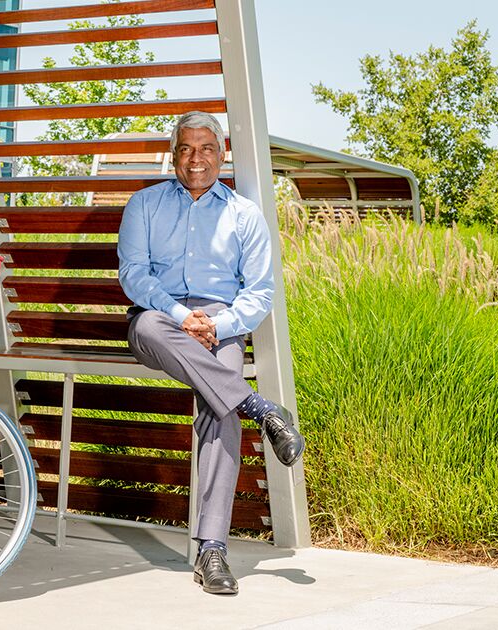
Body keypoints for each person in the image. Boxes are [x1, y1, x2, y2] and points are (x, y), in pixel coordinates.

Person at [117, 111, 305, 595]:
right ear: (173, 155)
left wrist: (216, 324)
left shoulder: (245, 214)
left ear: (221, 155)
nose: (195, 158)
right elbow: (135, 276)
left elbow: (259, 293)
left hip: (220, 327)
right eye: (185, 148)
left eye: (205, 149)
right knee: (158, 329)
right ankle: (259, 406)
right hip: (159, 322)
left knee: (219, 408)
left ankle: (212, 550)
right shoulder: (144, 205)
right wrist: (183, 317)